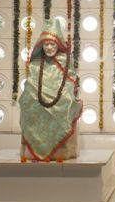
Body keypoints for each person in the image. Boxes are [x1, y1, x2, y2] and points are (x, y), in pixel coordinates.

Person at [18, 18, 82, 161]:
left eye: (52, 44)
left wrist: (68, 91)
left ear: (58, 45)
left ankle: (62, 150)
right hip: (38, 96)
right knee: (27, 102)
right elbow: (32, 82)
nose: (49, 48)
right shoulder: (36, 62)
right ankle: (33, 148)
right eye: (46, 44)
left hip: (61, 96)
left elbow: (71, 80)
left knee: (67, 102)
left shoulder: (65, 60)